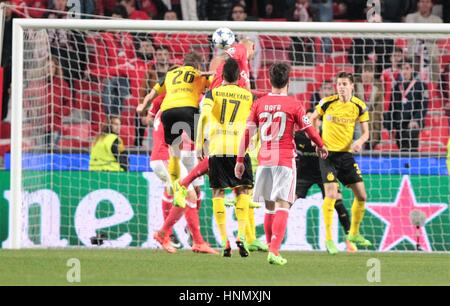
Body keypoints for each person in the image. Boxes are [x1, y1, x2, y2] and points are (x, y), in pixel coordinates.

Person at [235, 62, 328, 265]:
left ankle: (270, 246)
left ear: (269, 80)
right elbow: (309, 129)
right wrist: (320, 145)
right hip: (285, 159)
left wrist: (240, 160)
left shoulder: (259, 103)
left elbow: (247, 133)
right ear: (289, 81)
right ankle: (274, 251)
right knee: (282, 204)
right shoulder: (294, 104)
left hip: (264, 160)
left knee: (269, 207)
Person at [196, 58, 254, 257]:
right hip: (239, 149)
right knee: (243, 191)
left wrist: (198, 144)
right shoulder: (247, 96)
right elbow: (250, 123)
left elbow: (203, 117)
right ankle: (241, 236)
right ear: (239, 77)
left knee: (218, 192)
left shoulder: (213, 93)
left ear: (221, 76)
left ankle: (225, 242)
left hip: (218, 147)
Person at [310, 71, 372, 255]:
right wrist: (316, 140)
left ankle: (353, 233)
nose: (341, 87)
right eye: (339, 84)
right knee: (331, 194)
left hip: (346, 156)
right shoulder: (327, 103)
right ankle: (329, 240)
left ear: (352, 86)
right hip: (327, 155)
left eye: (344, 84)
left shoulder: (359, 106)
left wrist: (359, 142)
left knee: (362, 196)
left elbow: (366, 133)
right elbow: (312, 118)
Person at [294, 111, 357, 252]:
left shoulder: (326, 135)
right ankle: (272, 238)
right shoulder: (297, 136)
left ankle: (350, 240)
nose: (312, 120)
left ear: (320, 121)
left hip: (325, 175)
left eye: (314, 118)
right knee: (288, 202)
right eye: (309, 118)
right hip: (303, 175)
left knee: (339, 203)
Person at [390, 59, 428, 152]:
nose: (405, 71)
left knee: (411, 147)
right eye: (403, 69)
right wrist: (392, 126)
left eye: (407, 68)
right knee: (402, 150)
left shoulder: (421, 85)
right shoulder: (396, 86)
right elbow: (393, 107)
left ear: (411, 69)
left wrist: (415, 119)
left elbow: (423, 106)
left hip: (414, 123)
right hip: (400, 124)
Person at [355, 64, 383, 150]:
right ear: (361, 73)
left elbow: (379, 109)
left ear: (373, 73)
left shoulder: (379, 88)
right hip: (357, 122)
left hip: (373, 123)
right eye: (365, 71)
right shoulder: (354, 86)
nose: (367, 74)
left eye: (370, 71)